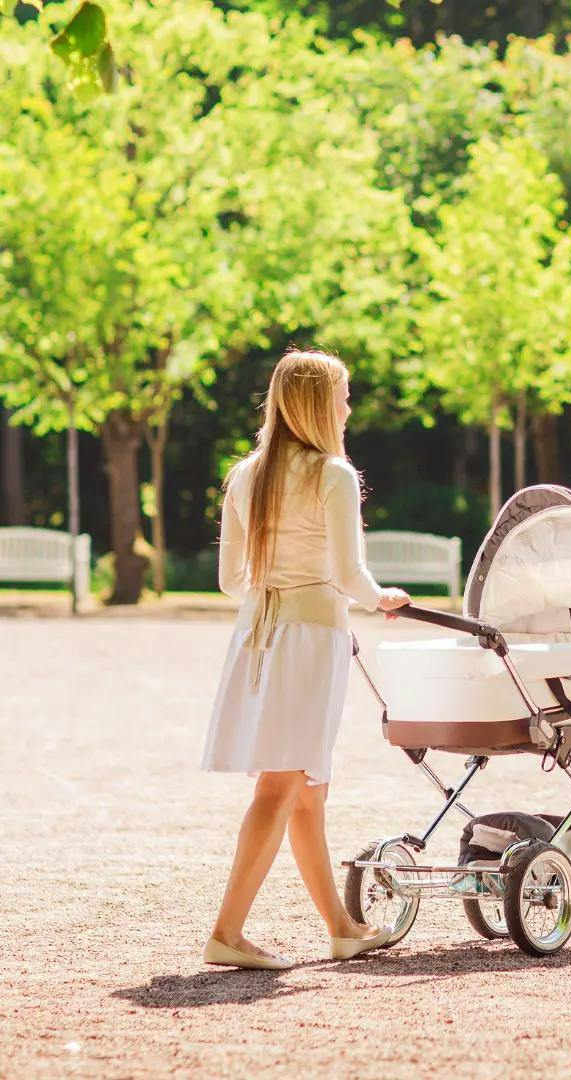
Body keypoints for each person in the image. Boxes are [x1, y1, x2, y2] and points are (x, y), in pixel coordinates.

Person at [200, 348, 410, 970]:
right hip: (311, 641)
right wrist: (382, 599)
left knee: (308, 789)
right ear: (322, 404)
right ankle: (228, 933)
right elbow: (350, 574)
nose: (349, 407)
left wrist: (277, 589)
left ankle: (342, 928)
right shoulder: (332, 474)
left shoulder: (247, 475)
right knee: (283, 781)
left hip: (258, 636)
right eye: (343, 396)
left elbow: (230, 580)